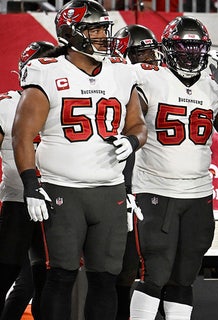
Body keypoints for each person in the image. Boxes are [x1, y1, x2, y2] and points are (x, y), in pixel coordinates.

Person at [12, 0, 148, 319]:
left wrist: (131, 141)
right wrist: (31, 183)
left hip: (109, 190)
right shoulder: (46, 71)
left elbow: (138, 124)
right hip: (63, 189)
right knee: (61, 275)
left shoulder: (121, 73)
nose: (104, 36)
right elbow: (23, 133)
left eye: (104, 28)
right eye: (95, 29)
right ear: (71, 34)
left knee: (105, 279)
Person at [129, 16, 218, 319]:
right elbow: (130, 120)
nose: (191, 54)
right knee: (153, 272)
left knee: (184, 275)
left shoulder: (212, 87)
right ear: (168, 48)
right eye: (184, 46)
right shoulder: (149, 77)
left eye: (197, 47)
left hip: (198, 194)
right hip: (156, 189)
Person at [0, 40, 55, 320]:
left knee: (46, 278)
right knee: (9, 273)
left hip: (55, 200)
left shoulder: (62, 102)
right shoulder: (7, 105)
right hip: (17, 201)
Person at [112, 23, 160, 320]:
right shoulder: (114, 84)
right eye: (141, 55)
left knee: (155, 266)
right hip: (125, 185)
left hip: (155, 185)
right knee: (121, 269)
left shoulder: (165, 81)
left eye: (152, 55)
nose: (150, 62)